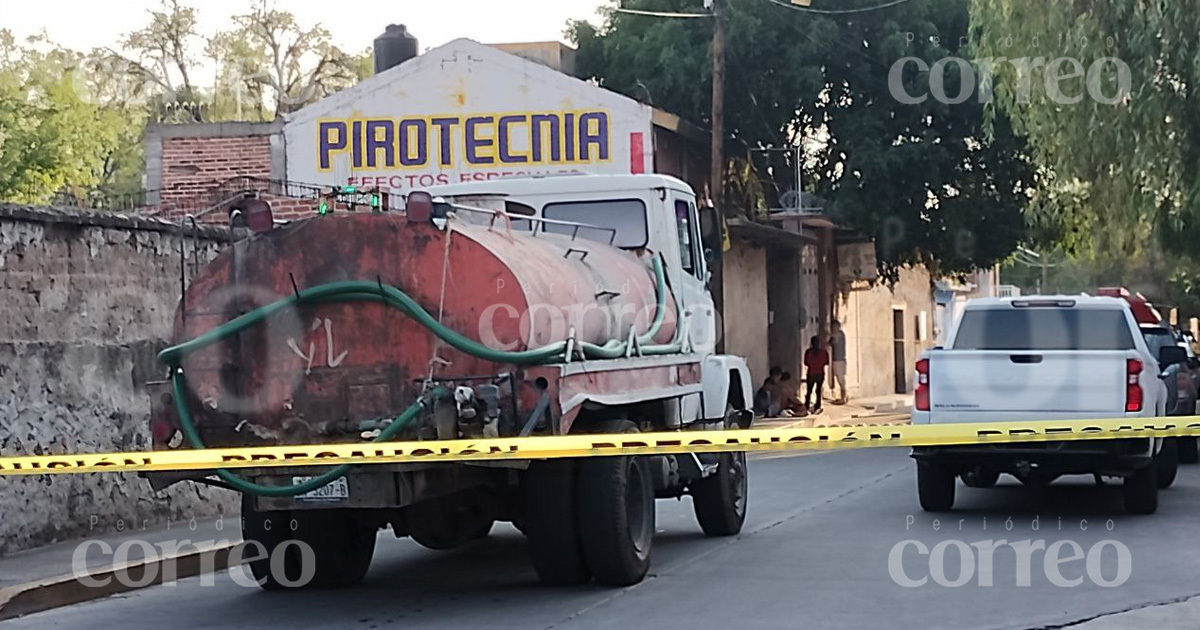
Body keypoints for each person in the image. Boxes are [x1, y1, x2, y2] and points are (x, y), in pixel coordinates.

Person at [803, 336, 830, 413]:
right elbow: (826, 363)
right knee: (818, 390)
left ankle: (807, 405)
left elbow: (806, 363)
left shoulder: (808, 352)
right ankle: (818, 405)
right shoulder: (824, 352)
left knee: (809, 391)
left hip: (811, 373)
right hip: (820, 373)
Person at [830, 321, 848, 404]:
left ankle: (843, 398)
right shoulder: (839, 335)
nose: (833, 329)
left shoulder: (839, 335)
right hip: (837, 359)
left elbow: (831, 342)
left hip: (839, 360)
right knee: (839, 379)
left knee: (841, 379)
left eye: (834, 327)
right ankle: (844, 396)